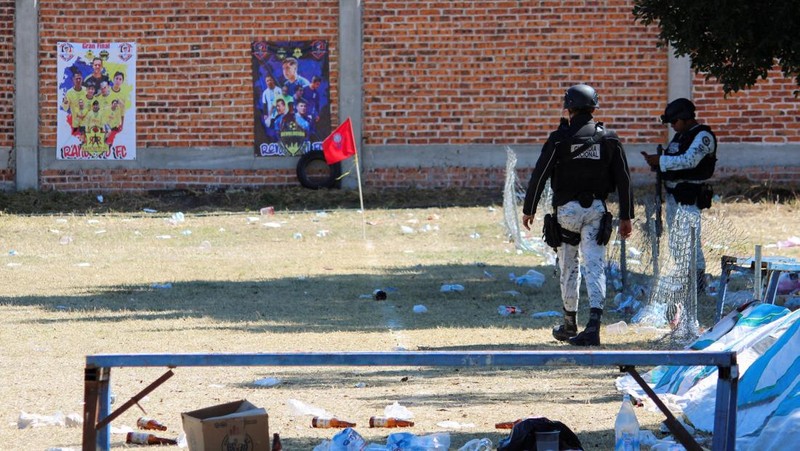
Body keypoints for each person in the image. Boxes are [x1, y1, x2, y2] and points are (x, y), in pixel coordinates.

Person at [522, 84, 634, 346]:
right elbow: (624, 179)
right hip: (596, 210)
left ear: (568, 109)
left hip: (567, 212)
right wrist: (627, 216)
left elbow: (540, 175)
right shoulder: (609, 139)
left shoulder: (559, 139)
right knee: (595, 267)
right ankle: (593, 326)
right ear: (594, 107)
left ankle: (570, 324)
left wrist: (529, 209)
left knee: (569, 266)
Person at [642, 98, 717, 293]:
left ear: (685, 118)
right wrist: (657, 163)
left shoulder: (703, 136)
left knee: (689, 240)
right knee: (676, 240)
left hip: (689, 197)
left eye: (675, 122)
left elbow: (689, 160)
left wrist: (661, 160)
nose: (673, 127)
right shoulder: (681, 136)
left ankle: (696, 281)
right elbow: (674, 159)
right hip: (674, 195)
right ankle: (684, 277)